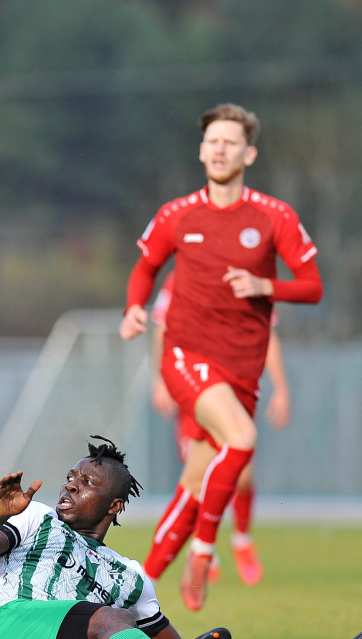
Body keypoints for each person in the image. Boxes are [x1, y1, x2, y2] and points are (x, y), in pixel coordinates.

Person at [0, 437, 362, 639]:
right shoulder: (36, 517)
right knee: (116, 625)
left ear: (114, 506)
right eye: (71, 477)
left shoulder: (130, 577)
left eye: (87, 482)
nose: (70, 485)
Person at [119, 103, 322, 611]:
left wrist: (265, 285)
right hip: (186, 356)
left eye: (230, 142)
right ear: (201, 150)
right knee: (243, 439)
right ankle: (204, 553)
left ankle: (133, 591)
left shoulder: (274, 215)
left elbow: (312, 286)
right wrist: (134, 307)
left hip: (242, 371)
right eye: (212, 140)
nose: (220, 149)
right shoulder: (177, 213)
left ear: (248, 154)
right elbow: (145, 267)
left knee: (194, 484)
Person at [144, 271, 291, 586]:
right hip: (194, 384)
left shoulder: (249, 277)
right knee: (197, 478)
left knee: (238, 471)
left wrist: (281, 387)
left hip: (235, 386)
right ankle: (197, 554)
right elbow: (162, 328)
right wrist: (160, 379)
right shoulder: (182, 276)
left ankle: (237, 540)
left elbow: (268, 335)